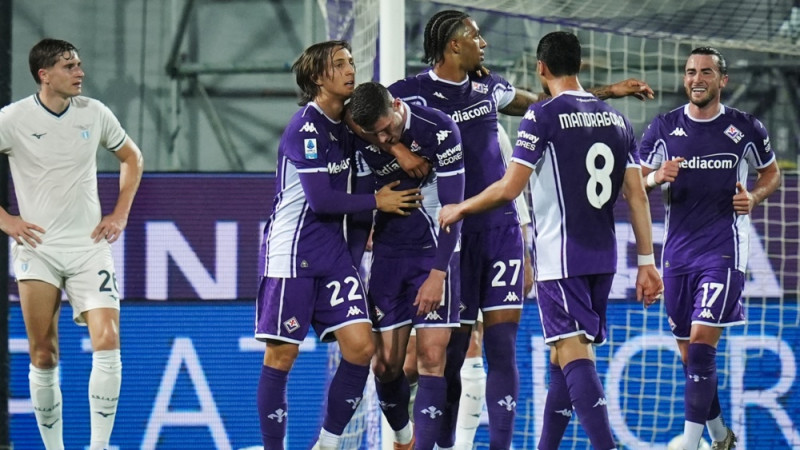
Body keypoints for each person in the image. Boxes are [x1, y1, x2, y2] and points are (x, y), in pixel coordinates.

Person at [387, 9, 655, 449]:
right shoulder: (410, 92)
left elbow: (547, 104)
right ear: (454, 45)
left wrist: (607, 92)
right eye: (476, 36)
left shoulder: (490, 87)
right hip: (452, 237)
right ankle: (445, 443)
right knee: (450, 353)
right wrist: (399, 150)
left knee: (502, 348)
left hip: (501, 229)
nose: (484, 43)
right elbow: (361, 115)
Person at [255, 40, 423, 450]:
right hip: (292, 253)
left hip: (334, 256)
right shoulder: (305, 128)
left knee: (362, 349)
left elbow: (364, 185)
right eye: (340, 64)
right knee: (281, 357)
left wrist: (352, 259)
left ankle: (327, 444)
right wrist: (377, 202)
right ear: (317, 77)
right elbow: (321, 201)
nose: (351, 70)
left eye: (351, 62)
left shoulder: (353, 127)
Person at [0, 38, 144, 450]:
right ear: (44, 75)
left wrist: (119, 214)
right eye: (69, 66)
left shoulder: (94, 112)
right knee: (43, 354)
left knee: (108, 339)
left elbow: (132, 158)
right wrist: (6, 220)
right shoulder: (12, 119)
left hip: (88, 249)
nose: (80, 72)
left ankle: (98, 447)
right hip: (38, 250)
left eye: (78, 64)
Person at [638, 47, 780, 450]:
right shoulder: (664, 127)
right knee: (691, 358)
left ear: (723, 80)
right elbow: (634, 182)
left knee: (701, 349)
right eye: (690, 72)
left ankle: (688, 443)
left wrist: (753, 197)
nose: (696, 79)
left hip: (723, 251)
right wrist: (655, 179)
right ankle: (721, 437)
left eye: (705, 72)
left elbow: (771, 174)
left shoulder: (745, 127)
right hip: (677, 255)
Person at [347, 81, 465, 449]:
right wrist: (351, 269)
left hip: (433, 254)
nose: (382, 139)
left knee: (432, 358)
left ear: (397, 106)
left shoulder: (439, 129)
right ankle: (404, 438)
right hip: (388, 256)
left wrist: (438, 273)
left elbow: (453, 210)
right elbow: (362, 212)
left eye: (388, 129)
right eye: (375, 134)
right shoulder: (364, 137)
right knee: (385, 366)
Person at [454, 123, 534, 450]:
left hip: (497, 237)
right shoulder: (426, 121)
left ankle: (465, 444)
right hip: (448, 243)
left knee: (488, 344)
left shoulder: (490, 125)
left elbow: (512, 186)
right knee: (431, 358)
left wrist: (525, 250)